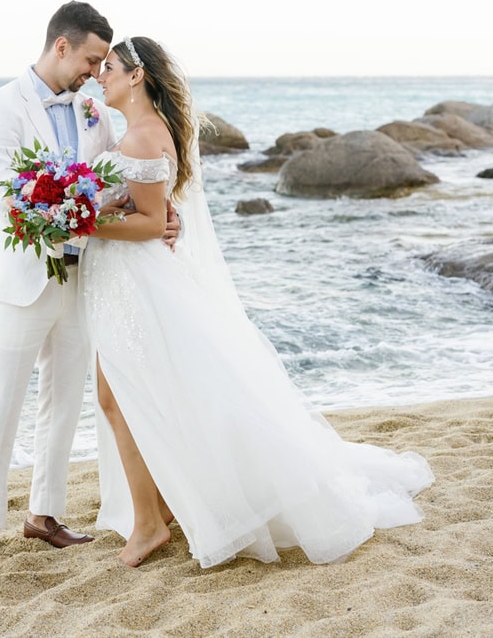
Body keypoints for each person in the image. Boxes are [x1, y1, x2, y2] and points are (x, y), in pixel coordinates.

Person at [81, 37, 435, 569]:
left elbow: (151, 223)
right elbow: (152, 212)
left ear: (136, 75)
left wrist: (82, 221)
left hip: (137, 284)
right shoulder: (141, 132)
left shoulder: (143, 136)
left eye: (108, 67)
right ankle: (160, 507)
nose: (100, 76)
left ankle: (151, 522)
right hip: (128, 281)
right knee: (135, 396)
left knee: (125, 398)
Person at [0, 2, 179, 580]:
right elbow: (9, 195)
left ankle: (44, 514)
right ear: (62, 46)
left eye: (103, 63)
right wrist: (77, 214)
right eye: (91, 59)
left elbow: (116, 180)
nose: (96, 71)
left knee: (63, 403)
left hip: (85, 278)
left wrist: (161, 212)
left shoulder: (91, 110)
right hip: (21, 278)